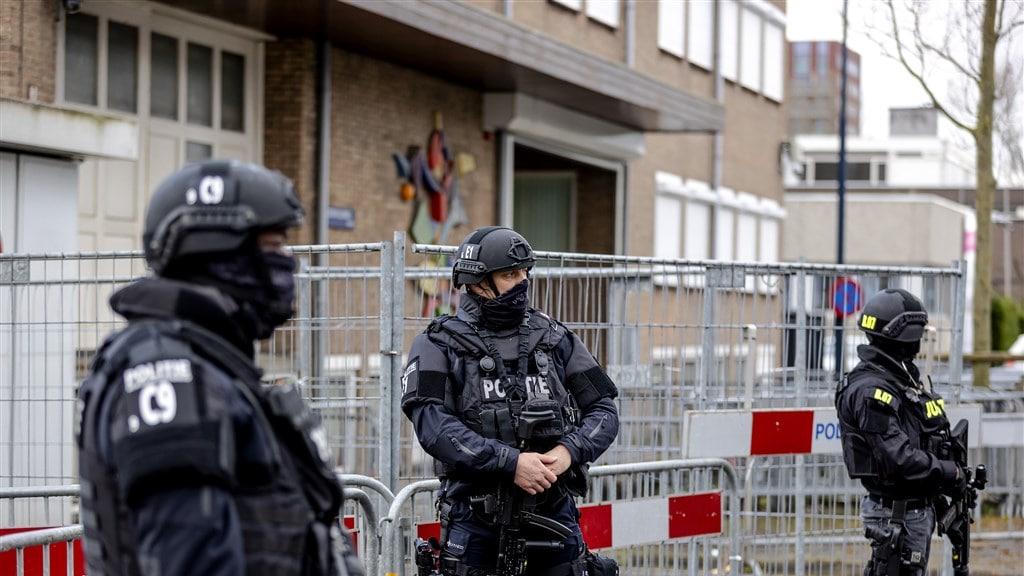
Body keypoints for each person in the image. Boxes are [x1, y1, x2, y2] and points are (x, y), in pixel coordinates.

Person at [76, 160, 365, 576]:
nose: (287, 263)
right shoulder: (170, 374)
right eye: (273, 247)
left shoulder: (214, 363)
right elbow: (191, 559)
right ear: (217, 251)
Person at [401, 226, 620, 576]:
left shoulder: (554, 337)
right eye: (509, 274)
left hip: (554, 512)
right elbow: (433, 427)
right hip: (476, 521)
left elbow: (605, 411)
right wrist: (511, 463)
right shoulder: (437, 344)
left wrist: (568, 451)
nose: (522, 283)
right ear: (477, 281)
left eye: (524, 273)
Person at [835, 288, 966, 576]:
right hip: (896, 516)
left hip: (912, 510)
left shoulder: (900, 378)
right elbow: (898, 458)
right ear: (903, 336)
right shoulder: (873, 391)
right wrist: (948, 472)